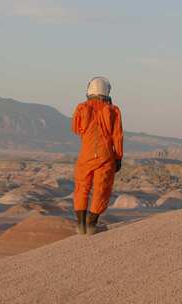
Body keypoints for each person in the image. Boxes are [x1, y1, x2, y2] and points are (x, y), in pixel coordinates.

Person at [71, 77, 123, 235]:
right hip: (105, 156)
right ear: (106, 91)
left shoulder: (81, 108)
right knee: (102, 188)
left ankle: (80, 224)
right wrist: (118, 157)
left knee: (82, 187)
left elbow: (75, 128)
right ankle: (92, 224)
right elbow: (117, 136)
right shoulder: (113, 110)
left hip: (85, 155)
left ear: (89, 90)